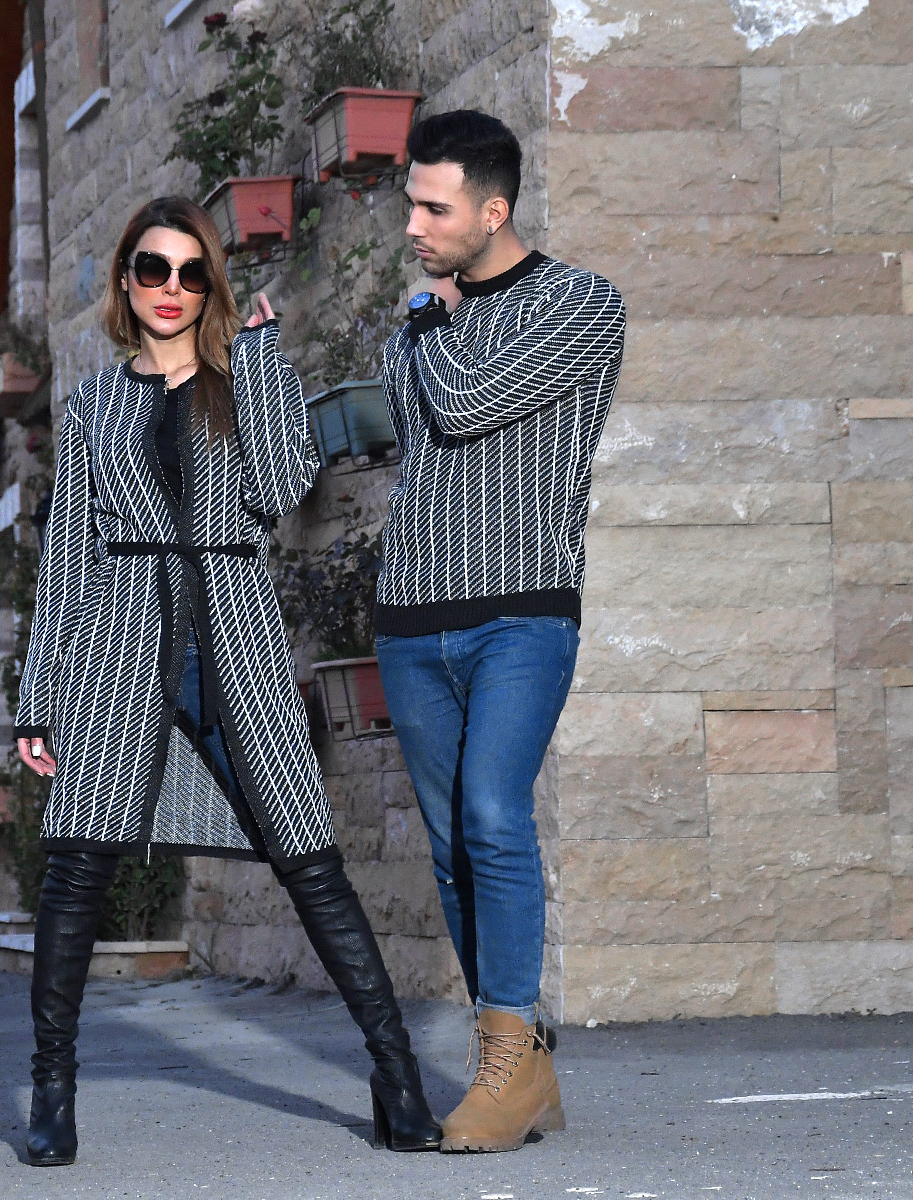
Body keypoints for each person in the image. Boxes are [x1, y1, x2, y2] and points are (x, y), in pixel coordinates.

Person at [12, 196, 440, 1166]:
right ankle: (52, 1088)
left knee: (311, 863)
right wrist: (40, 700)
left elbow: (282, 487)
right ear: (126, 280)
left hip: (236, 642)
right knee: (77, 871)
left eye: (191, 272)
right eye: (153, 269)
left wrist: (260, 364)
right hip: (118, 645)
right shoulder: (91, 407)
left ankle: (397, 1080)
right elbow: (68, 559)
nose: (171, 288)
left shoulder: (240, 378)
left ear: (211, 285)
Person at [374, 111, 626, 1154]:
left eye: (433, 208)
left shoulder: (581, 303)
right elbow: (412, 440)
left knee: (492, 815)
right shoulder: (417, 319)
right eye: (411, 204)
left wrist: (432, 327)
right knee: (452, 851)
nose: (414, 226)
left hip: (523, 613)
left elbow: (468, 405)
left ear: (493, 210)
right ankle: (518, 1067)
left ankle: (509, 1063)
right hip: (411, 622)